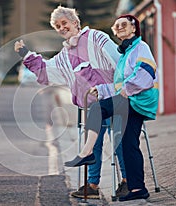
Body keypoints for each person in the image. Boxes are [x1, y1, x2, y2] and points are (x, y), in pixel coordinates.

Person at [14, 6, 128, 199]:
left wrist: (122, 89)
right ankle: (92, 186)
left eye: (64, 23)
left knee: (119, 140)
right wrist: (26, 55)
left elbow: (120, 62)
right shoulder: (65, 56)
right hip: (93, 106)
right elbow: (47, 71)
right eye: (58, 26)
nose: (61, 28)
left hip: (116, 100)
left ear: (75, 22)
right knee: (94, 145)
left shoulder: (96, 37)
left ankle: (127, 181)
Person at [65, 14, 159, 201]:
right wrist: (101, 89)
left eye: (124, 24)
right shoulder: (126, 53)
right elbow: (119, 85)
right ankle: (137, 188)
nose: (119, 27)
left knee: (98, 109)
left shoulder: (141, 47)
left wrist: (126, 90)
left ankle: (87, 152)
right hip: (132, 100)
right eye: (116, 26)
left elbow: (146, 72)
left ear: (134, 29)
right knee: (128, 145)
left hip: (138, 100)